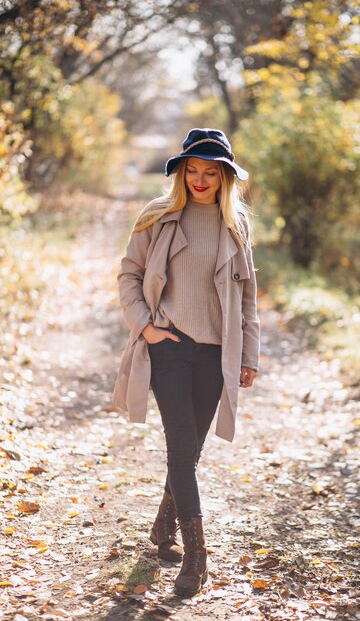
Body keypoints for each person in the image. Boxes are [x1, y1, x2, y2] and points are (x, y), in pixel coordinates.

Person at [112, 128, 260, 597]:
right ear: (180, 173)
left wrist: (249, 355)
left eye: (209, 173)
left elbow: (249, 298)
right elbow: (129, 274)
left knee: (191, 451)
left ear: (224, 178)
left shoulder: (236, 224)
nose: (199, 180)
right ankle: (198, 557)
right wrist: (146, 327)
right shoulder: (157, 217)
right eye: (191, 170)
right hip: (169, 347)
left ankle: (163, 525)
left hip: (216, 353)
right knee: (180, 448)